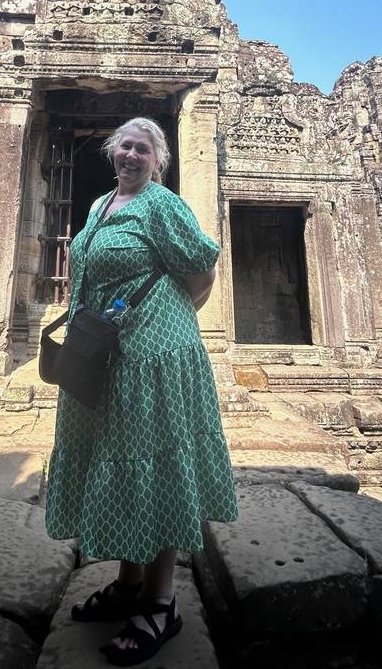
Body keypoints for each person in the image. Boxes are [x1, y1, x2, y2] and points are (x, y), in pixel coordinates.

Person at [45, 117, 238, 666]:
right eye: (124, 146)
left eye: (143, 149)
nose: (131, 155)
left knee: (154, 461)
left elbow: (202, 270)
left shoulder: (161, 205)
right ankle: (129, 586)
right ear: (113, 153)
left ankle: (161, 602)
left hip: (154, 359)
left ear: (159, 160)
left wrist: (166, 322)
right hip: (106, 355)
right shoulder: (100, 206)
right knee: (122, 458)